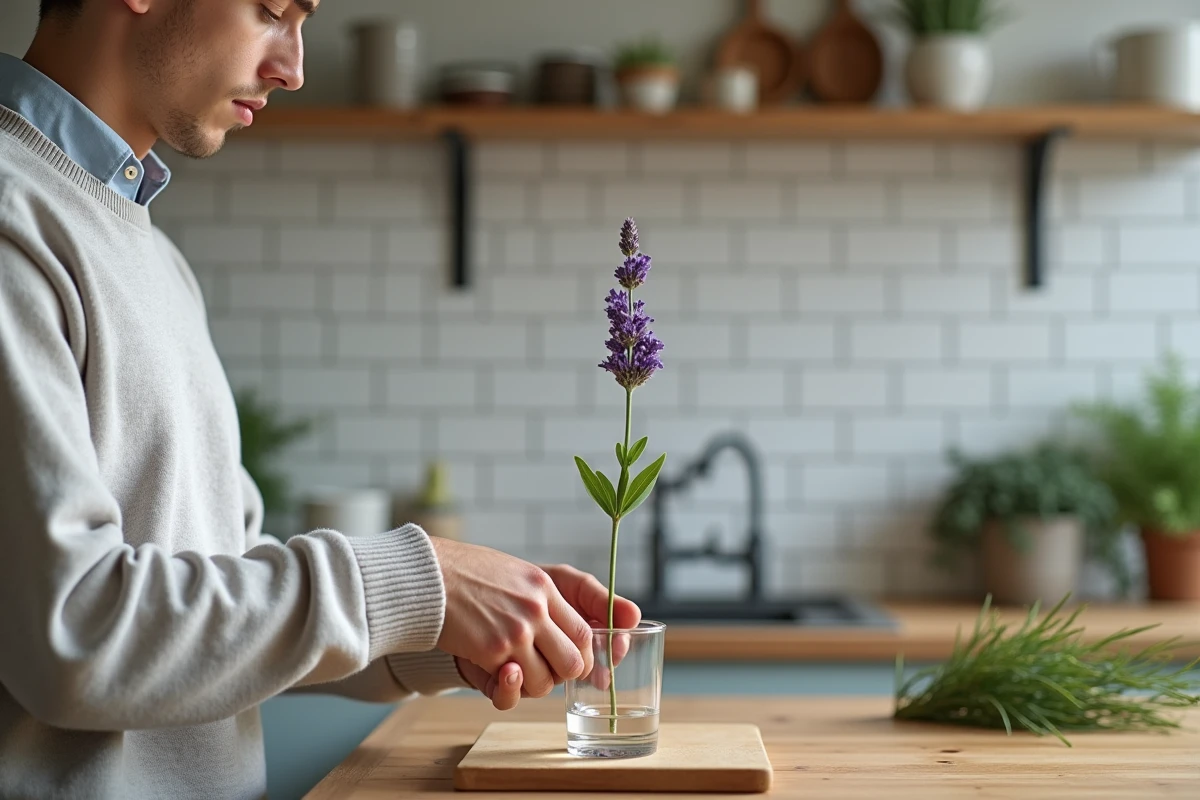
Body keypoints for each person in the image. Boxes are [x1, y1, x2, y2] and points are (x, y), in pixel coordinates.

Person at [0, 1, 641, 797]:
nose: (294, 68)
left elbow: (217, 615)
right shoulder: (13, 222)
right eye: (272, 11)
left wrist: (433, 629)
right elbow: (73, 634)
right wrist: (419, 581)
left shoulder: (155, 259)